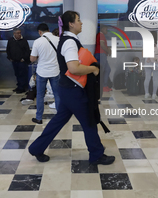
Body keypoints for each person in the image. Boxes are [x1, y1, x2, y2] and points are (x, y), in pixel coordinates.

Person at [29, 11, 115, 165]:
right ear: (71, 24)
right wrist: (93, 69)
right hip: (74, 91)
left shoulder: (68, 39)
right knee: (89, 121)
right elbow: (74, 68)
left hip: (67, 89)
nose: (81, 23)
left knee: (58, 121)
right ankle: (96, 154)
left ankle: (36, 148)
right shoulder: (69, 42)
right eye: (78, 20)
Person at [30, 23, 60, 124]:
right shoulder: (57, 39)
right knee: (57, 94)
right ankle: (60, 117)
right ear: (48, 29)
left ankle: (39, 118)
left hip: (42, 72)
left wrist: (39, 56)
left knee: (40, 95)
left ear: (40, 32)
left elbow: (32, 58)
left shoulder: (38, 41)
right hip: (55, 71)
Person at [6, 28, 30, 94]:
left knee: (22, 74)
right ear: (14, 33)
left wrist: (24, 58)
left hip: (22, 61)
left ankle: (22, 87)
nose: (19, 34)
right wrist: (9, 57)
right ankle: (19, 86)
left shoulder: (24, 40)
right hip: (14, 60)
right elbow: (8, 49)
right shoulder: (11, 40)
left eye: (20, 33)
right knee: (17, 74)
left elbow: (27, 51)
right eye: (17, 33)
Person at [144, 32, 158, 100]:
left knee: (147, 78)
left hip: (148, 62)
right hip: (156, 63)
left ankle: (146, 94)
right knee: (155, 79)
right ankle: (154, 95)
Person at [94, 25, 112, 92]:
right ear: (103, 28)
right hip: (101, 54)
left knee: (107, 69)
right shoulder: (101, 35)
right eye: (106, 29)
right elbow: (102, 45)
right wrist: (108, 51)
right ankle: (101, 86)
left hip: (101, 54)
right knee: (102, 71)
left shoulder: (100, 35)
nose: (107, 30)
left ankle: (104, 86)